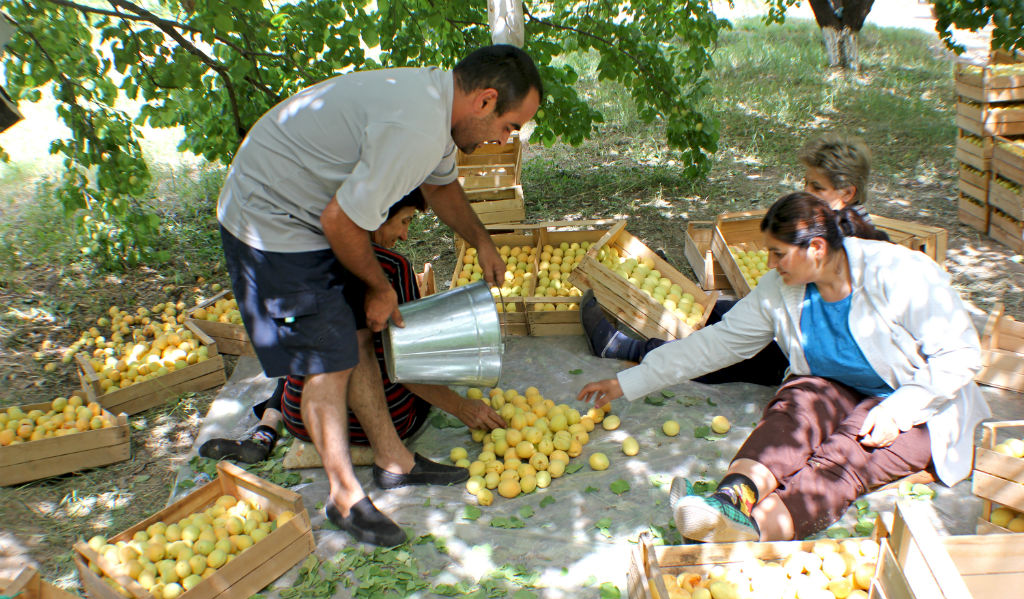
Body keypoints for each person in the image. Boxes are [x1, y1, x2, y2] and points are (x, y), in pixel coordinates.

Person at [216, 45, 542, 547]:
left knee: (357, 340)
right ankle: (343, 497)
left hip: (313, 213)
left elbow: (442, 190)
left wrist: (482, 240)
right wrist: (379, 286)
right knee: (330, 358)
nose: (506, 140)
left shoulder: (437, 112)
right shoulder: (416, 128)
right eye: (510, 126)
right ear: (485, 101)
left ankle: (394, 462)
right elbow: (340, 221)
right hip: (270, 221)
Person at [578, 192, 990, 542]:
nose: (772, 263)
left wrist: (899, 410)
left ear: (815, 249)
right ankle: (727, 502)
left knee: (846, 455)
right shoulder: (781, 289)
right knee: (794, 407)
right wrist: (628, 380)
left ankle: (751, 531)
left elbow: (961, 354)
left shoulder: (898, 273)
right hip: (836, 390)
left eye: (778, 253)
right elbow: (716, 344)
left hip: (916, 405)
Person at [201, 189, 505, 464]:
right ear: (375, 217)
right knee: (423, 369)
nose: (404, 236)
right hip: (384, 422)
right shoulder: (392, 268)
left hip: (304, 421)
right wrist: (462, 408)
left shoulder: (300, 260)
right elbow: (409, 368)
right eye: (404, 222)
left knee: (304, 358)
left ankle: (266, 430)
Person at [580, 133, 887, 387]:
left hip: (811, 356)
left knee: (736, 357)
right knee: (723, 312)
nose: (805, 192)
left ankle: (630, 349)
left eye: (817, 187)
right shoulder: (815, 233)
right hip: (794, 327)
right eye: (805, 183)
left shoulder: (864, 250)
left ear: (847, 193)